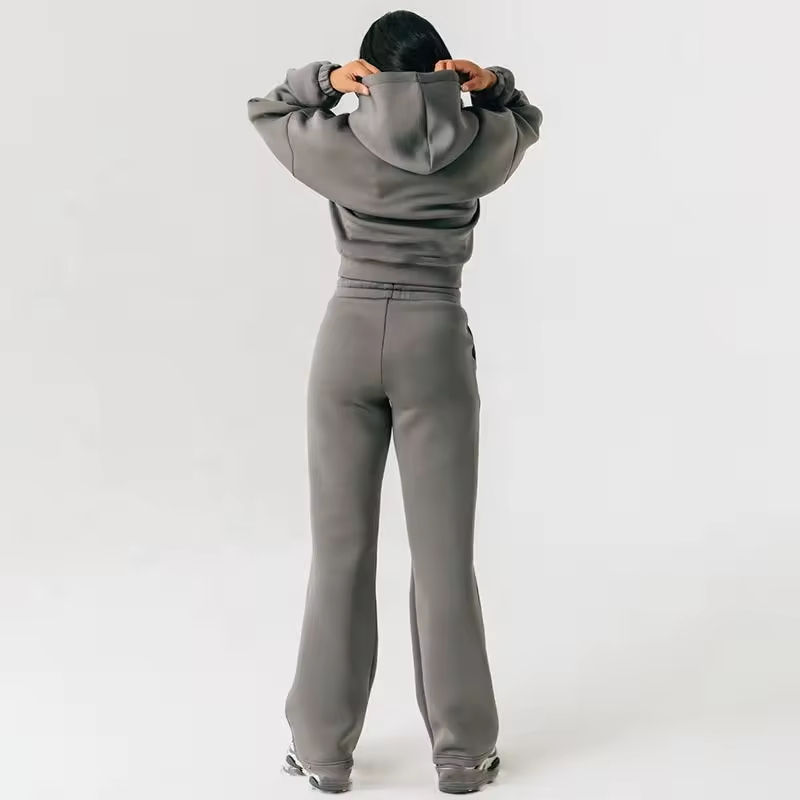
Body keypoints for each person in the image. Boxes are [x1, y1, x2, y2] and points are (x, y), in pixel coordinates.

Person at [246, 9, 542, 794]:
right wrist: (491, 85)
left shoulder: (335, 144)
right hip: (434, 338)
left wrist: (324, 81)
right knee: (444, 558)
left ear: (367, 74)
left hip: (346, 340)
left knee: (340, 551)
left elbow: (268, 108)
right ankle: (462, 753)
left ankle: (322, 750)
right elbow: (527, 118)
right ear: (447, 72)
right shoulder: (483, 144)